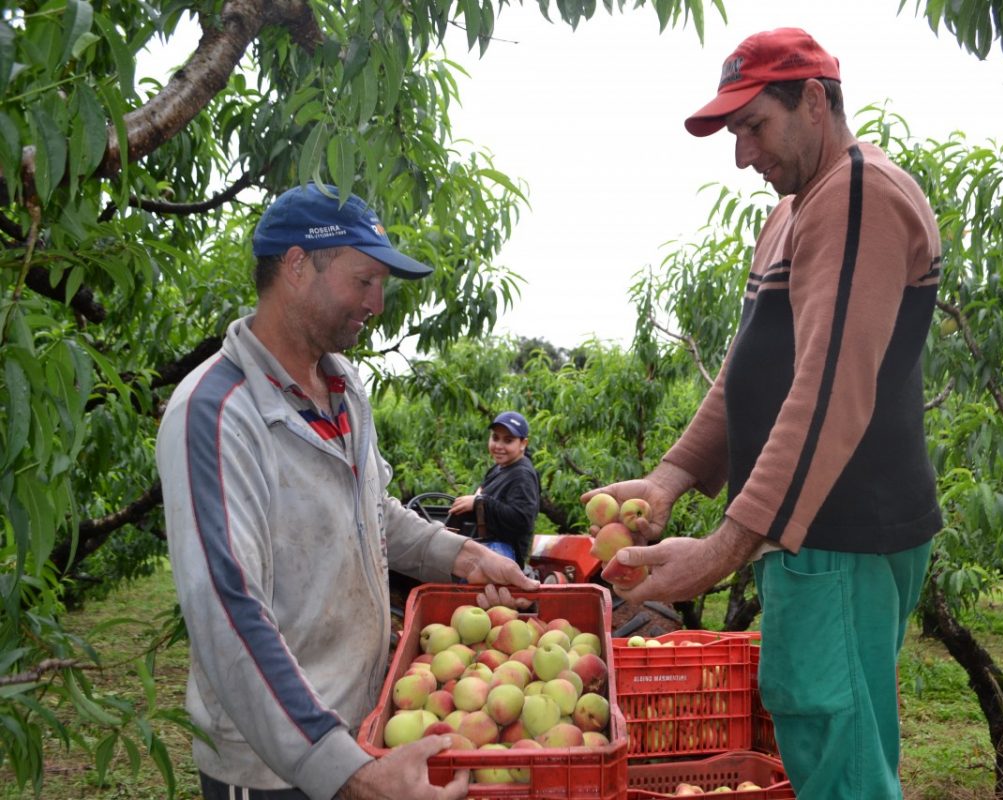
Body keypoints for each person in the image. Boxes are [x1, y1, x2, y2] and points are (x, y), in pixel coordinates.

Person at [583, 28, 943, 800]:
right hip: (810, 538)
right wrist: (672, 475)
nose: (742, 155)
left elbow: (828, 390)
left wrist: (723, 549)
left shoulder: (856, 195)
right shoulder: (796, 210)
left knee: (837, 758)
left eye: (753, 127)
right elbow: (751, 370)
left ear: (814, 100)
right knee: (823, 739)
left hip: (837, 535)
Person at [156, 182, 539, 800]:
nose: (378, 302)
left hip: (362, 726)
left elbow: (372, 511)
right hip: (278, 767)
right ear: (298, 265)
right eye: (364, 281)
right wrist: (349, 773)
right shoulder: (218, 412)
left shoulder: (342, 390)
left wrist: (465, 556)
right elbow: (229, 614)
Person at [447, 411, 540, 567]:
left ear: (523, 444)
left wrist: (480, 502)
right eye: (495, 438)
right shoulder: (498, 468)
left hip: (504, 552)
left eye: (508, 440)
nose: (498, 446)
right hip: (485, 544)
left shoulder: (522, 475)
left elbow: (522, 520)